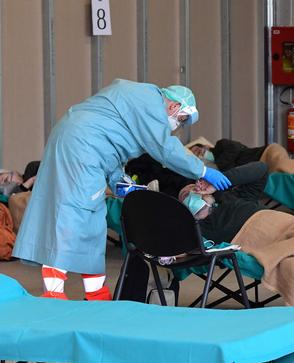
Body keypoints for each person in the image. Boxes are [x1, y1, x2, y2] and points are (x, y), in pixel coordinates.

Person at [12, 79, 232, 301]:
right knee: (74, 214)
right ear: (174, 107)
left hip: (81, 146)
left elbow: (112, 145)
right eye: (182, 120)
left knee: (94, 218)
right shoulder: (150, 104)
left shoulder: (136, 99)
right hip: (81, 150)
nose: (178, 126)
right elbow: (165, 148)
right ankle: (54, 291)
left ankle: (95, 291)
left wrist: (120, 179)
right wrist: (202, 171)